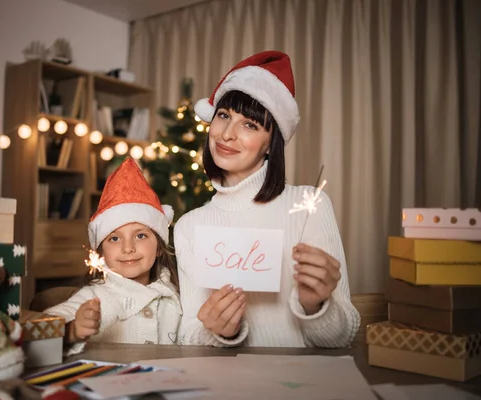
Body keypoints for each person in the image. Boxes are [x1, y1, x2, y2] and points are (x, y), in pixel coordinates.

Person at [174, 50, 361, 348]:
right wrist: (221, 331)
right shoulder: (188, 226)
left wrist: (315, 307)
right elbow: (188, 336)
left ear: (270, 145)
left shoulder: (309, 206)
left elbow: (341, 338)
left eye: (250, 124)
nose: (227, 134)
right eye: (223, 116)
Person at [44, 158, 181, 355]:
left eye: (140, 235)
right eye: (115, 238)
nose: (128, 248)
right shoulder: (94, 297)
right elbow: (44, 326)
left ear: (159, 246)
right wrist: (72, 330)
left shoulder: (174, 296)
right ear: (101, 253)